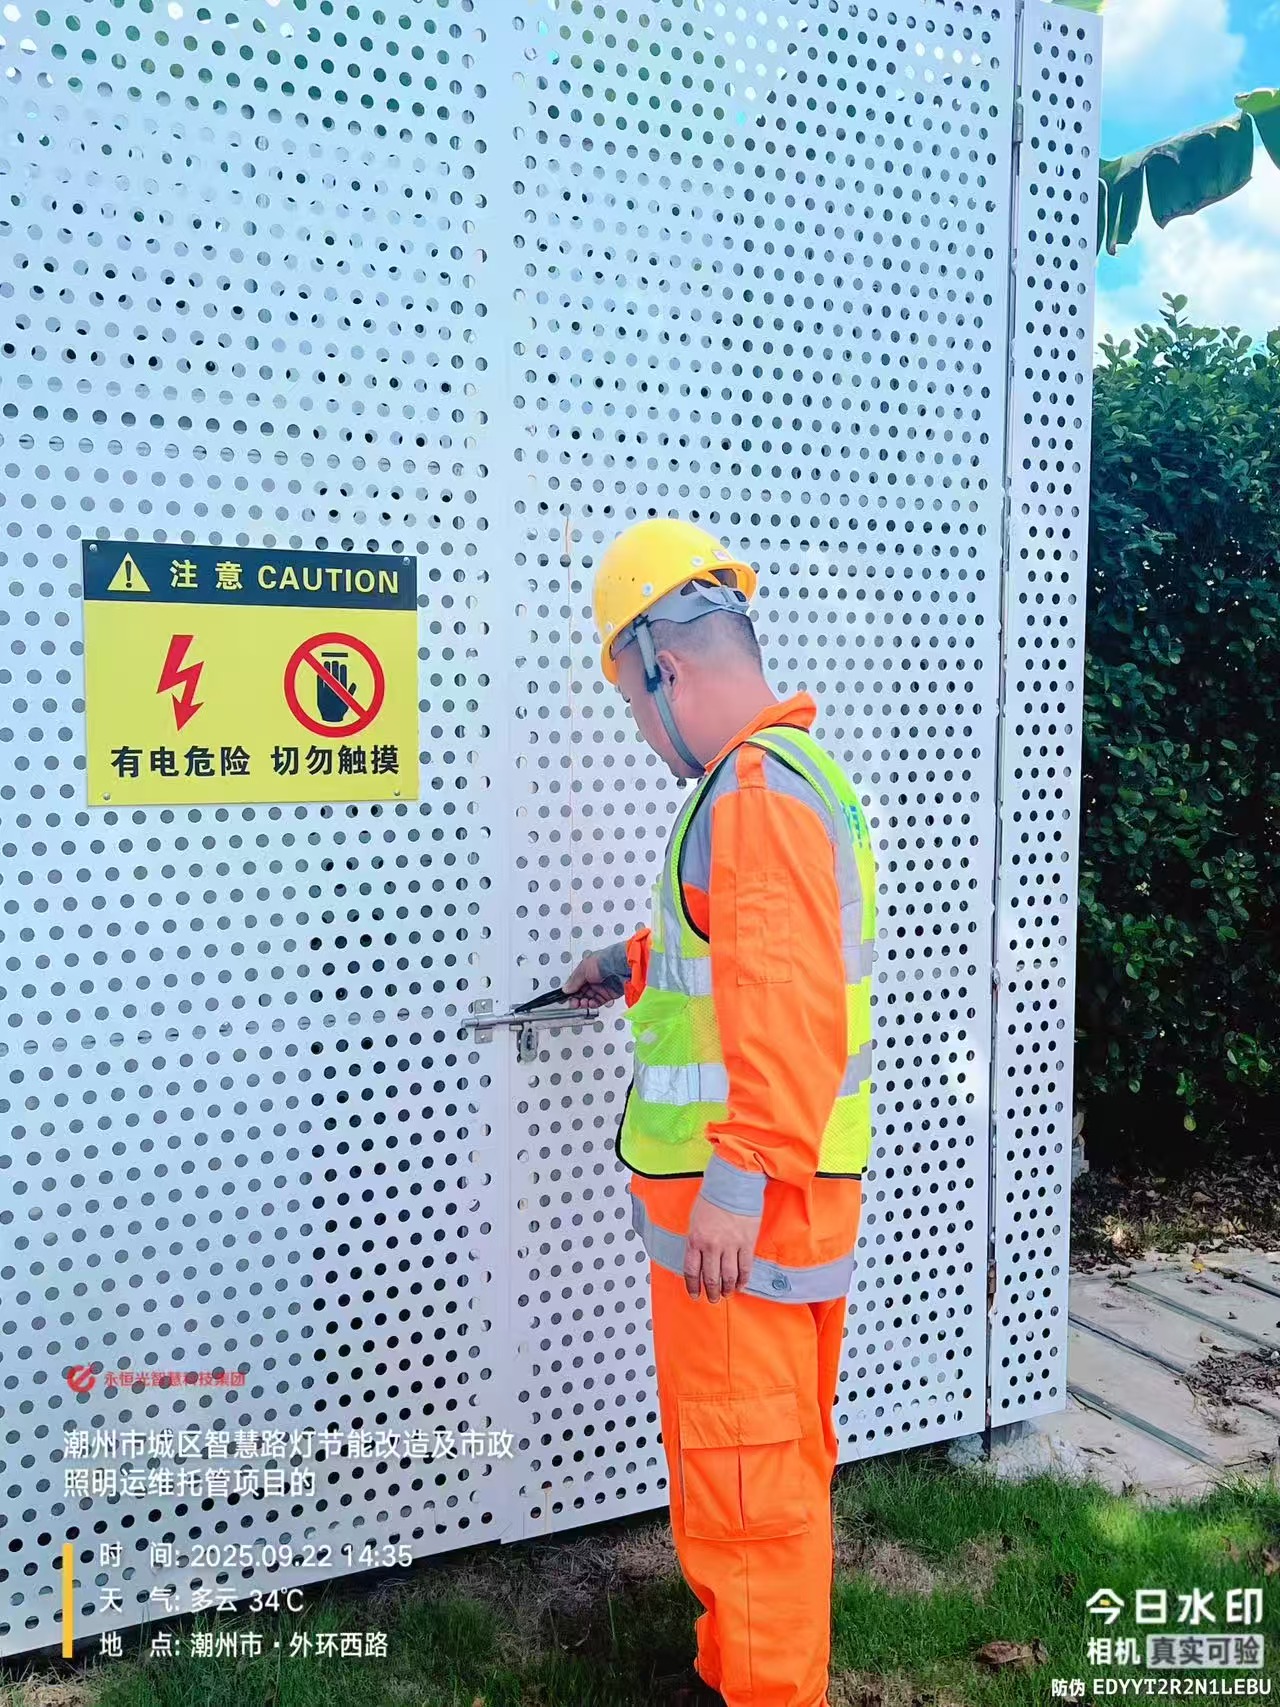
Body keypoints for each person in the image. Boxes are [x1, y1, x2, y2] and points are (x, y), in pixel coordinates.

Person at [563, 518, 877, 1707]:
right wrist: (624, 962)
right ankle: (732, 1670)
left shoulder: (753, 792)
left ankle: (759, 1693)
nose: (640, 734)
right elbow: (730, 952)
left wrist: (735, 1188)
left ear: (665, 667)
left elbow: (784, 1010)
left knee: (750, 1483)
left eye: (631, 705)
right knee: (744, 1459)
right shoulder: (774, 783)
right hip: (762, 1210)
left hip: (746, 1220)